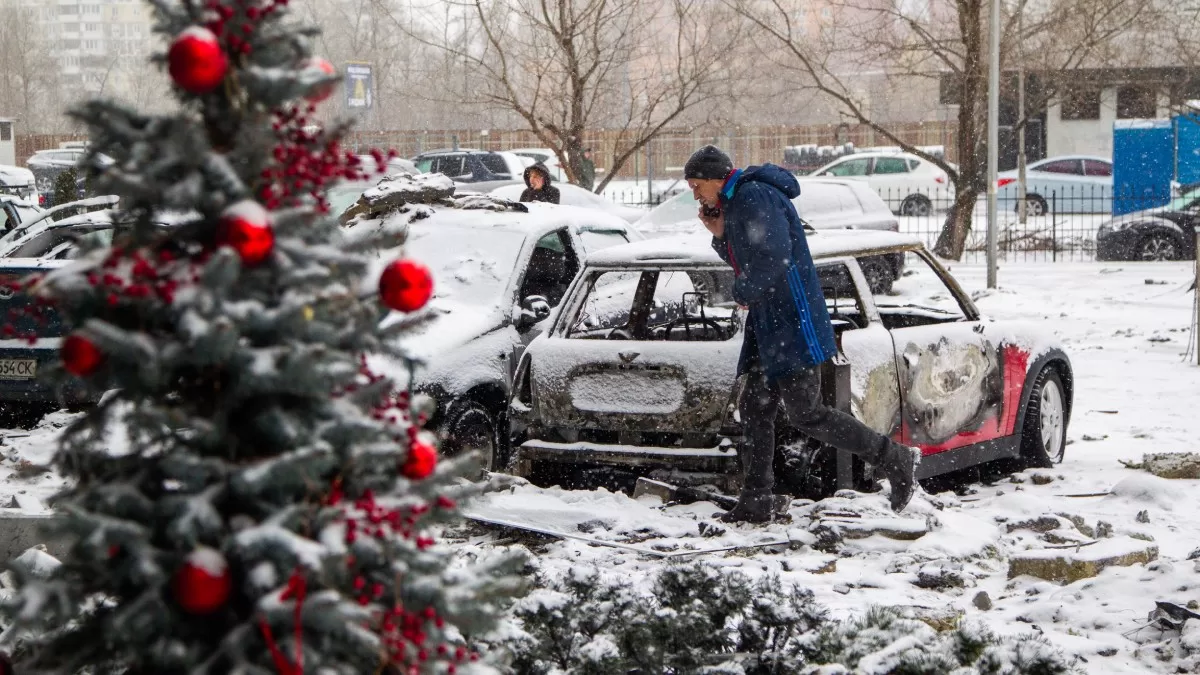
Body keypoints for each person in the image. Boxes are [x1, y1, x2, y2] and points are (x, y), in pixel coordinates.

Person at [685, 145, 921, 522]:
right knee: (755, 407)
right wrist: (719, 234)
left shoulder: (754, 194)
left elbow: (774, 256)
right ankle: (757, 499)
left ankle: (894, 458)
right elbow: (745, 257)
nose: (695, 194)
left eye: (697, 185)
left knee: (807, 413)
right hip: (769, 322)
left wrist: (743, 292)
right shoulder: (738, 201)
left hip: (792, 320)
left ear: (716, 178)